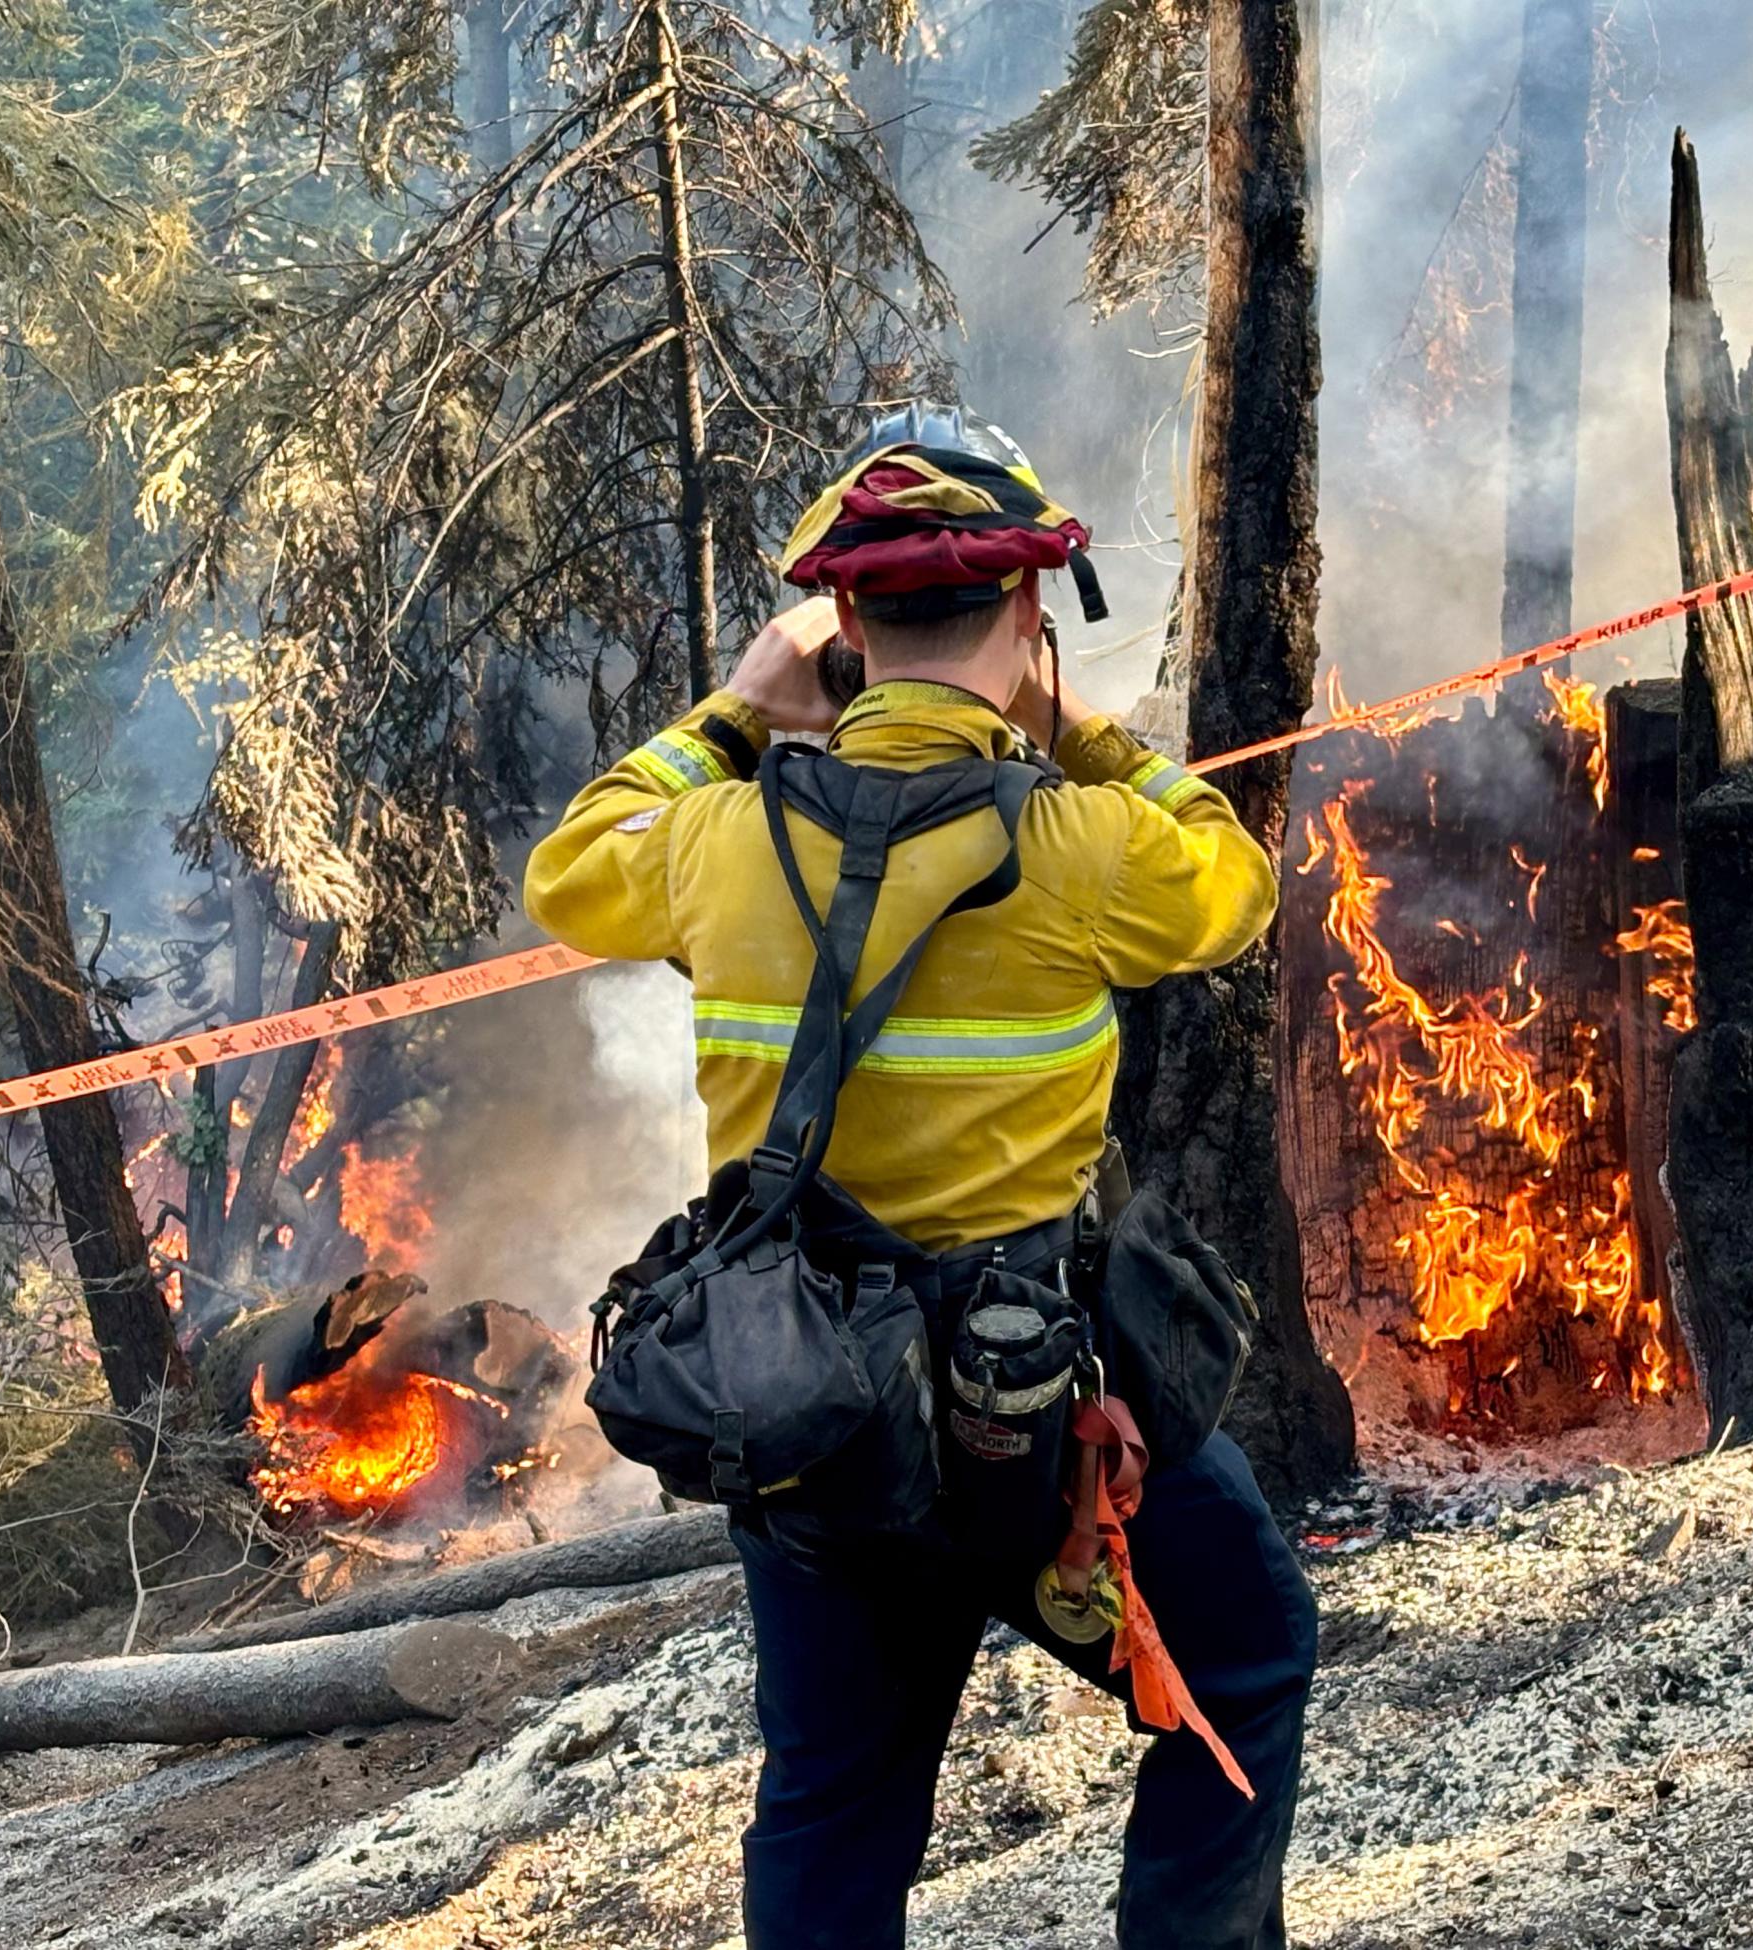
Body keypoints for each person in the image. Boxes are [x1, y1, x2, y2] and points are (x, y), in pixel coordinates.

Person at [523, 415, 1317, 1950]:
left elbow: (572, 865)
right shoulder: (1084, 845)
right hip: (1043, 1424)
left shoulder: (716, 840)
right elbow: (1233, 875)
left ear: (847, 633)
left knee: (833, 1799)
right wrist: (1075, 730)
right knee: (1251, 1650)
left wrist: (739, 713)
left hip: (813, 1416)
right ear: (1028, 618)